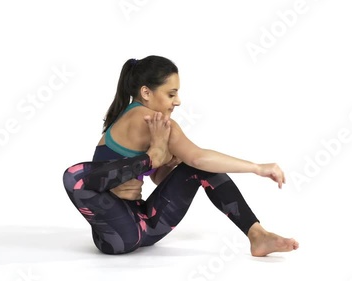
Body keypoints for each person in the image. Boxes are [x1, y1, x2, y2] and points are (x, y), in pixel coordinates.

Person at [62, 55, 299, 256]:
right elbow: (198, 157)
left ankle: (258, 235)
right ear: (146, 92)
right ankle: (257, 235)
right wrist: (257, 167)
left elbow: (159, 179)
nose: (178, 101)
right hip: (117, 233)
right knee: (74, 177)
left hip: (144, 225)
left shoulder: (152, 124)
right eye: (171, 94)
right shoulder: (145, 119)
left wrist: (166, 164)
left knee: (196, 170)